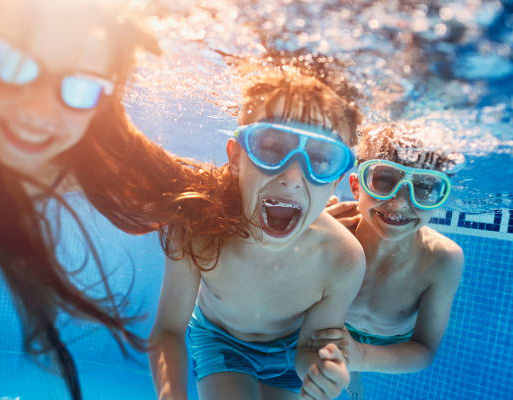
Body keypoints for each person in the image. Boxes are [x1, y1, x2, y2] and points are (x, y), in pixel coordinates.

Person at [0, 1, 218, 398]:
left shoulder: (69, 158)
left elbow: (173, 184)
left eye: (81, 87)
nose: (39, 109)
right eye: (13, 64)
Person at [148, 68, 367, 400]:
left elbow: (310, 347)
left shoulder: (342, 258)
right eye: (271, 146)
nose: (293, 176)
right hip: (221, 340)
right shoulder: (198, 226)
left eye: (321, 158)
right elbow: (168, 330)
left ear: (336, 179)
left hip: (292, 351)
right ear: (236, 157)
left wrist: (322, 371)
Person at [317, 122, 465, 399]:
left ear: (438, 200)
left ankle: (355, 366)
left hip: (391, 340)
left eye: (423, 188)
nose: (398, 203)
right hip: (334, 325)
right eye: (383, 180)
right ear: (356, 186)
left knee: (352, 357)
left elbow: (423, 350)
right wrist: (310, 228)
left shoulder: (442, 258)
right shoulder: (331, 231)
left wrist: (360, 355)